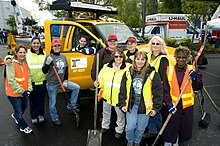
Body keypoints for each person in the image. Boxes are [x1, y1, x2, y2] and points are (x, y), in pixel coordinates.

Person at [119, 50, 163, 146]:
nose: (140, 61)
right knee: (130, 127)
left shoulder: (152, 73)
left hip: (145, 107)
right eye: (138, 59)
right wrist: (122, 103)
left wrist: (156, 108)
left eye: (142, 59)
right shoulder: (128, 72)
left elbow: (158, 92)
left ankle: (137, 141)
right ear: (134, 60)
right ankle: (130, 141)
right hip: (131, 105)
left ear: (146, 60)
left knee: (140, 128)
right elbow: (122, 90)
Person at [162, 46, 203, 146]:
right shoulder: (169, 70)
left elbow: (198, 87)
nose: (181, 59)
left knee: (183, 125)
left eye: (183, 57)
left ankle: (176, 141)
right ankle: (169, 141)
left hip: (187, 105)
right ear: (175, 57)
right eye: (179, 57)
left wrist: (194, 78)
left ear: (188, 58)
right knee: (171, 124)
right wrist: (169, 104)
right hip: (173, 104)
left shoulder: (192, 69)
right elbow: (165, 90)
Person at [42, 39, 80, 126]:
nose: (57, 47)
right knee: (53, 103)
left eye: (58, 46)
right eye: (55, 46)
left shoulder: (63, 56)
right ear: (52, 47)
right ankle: (55, 118)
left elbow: (66, 69)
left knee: (76, 87)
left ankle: (71, 106)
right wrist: (47, 64)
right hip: (52, 83)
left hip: (62, 81)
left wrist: (65, 80)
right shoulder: (49, 57)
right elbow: (44, 71)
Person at [94, 48, 130, 138]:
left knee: (120, 115)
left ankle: (119, 130)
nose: (118, 58)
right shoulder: (107, 66)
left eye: (120, 56)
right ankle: (105, 126)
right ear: (113, 57)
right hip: (106, 94)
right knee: (106, 112)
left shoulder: (128, 68)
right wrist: (98, 83)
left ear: (123, 57)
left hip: (118, 97)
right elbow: (101, 77)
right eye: (116, 56)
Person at [144, 36, 169, 138]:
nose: (155, 45)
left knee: (154, 108)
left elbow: (163, 77)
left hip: (156, 87)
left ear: (161, 46)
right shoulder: (148, 55)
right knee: (151, 107)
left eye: (157, 44)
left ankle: (153, 130)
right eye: (153, 43)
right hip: (146, 86)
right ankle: (158, 126)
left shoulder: (163, 59)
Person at [5, 45, 33, 134]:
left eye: (24, 52)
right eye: (20, 52)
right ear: (16, 53)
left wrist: (29, 88)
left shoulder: (25, 63)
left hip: (24, 92)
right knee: (18, 111)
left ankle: (16, 116)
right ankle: (23, 126)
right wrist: (22, 91)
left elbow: (28, 76)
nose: (22, 54)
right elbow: (11, 80)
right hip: (13, 93)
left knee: (24, 107)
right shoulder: (11, 64)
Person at [91, 34, 119, 122]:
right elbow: (95, 68)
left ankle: (115, 119)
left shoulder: (120, 53)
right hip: (104, 84)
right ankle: (102, 118)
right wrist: (96, 80)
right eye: (111, 41)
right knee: (103, 102)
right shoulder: (101, 53)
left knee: (116, 102)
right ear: (107, 42)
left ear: (117, 42)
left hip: (116, 84)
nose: (112, 43)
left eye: (114, 41)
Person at [26, 37, 47, 124]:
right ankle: (34, 116)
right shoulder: (27, 54)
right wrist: (7, 58)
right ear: (31, 44)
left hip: (42, 82)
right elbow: (15, 58)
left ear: (40, 44)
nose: (36, 45)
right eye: (34, 43)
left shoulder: (44, 54)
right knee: (32, 100)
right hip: (31, 82)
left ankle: (41, 115)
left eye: (37, 43)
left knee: (41, 100)